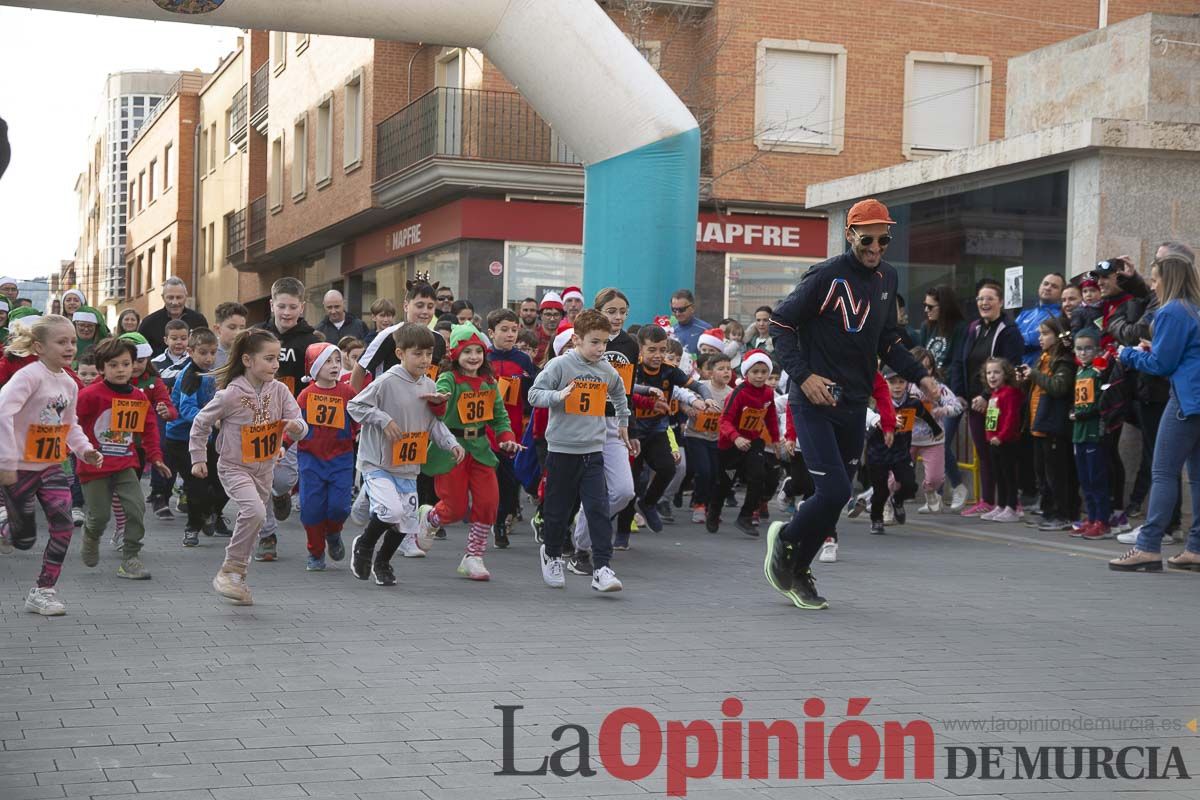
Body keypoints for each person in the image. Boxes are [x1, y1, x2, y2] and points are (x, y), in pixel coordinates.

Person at [768, 198, 936, 611]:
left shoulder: (887, 278)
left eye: (884, 239)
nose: (876, 247)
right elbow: (780, 324)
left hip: (854, 403)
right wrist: (804, 377)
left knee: (836, 498)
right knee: (835, 489)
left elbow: (888, 341)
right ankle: (785, 540)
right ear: (850, 235)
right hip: (813, 400)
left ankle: (798, 570)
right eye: (867, 238)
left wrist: (921, 376)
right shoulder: (826, 275)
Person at [189, 329, 308, 605]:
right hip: (234, 467)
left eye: (277, 358)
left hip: (265, 468)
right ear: (247, 360)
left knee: (255, 520)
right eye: (269, 358)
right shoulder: (230, 394)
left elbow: (301, 424)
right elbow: (201, 423)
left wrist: (295, 427)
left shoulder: (279, 390)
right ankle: (230, 570)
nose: (275, 365)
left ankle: (237, 576)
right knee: (254, 512)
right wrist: (197, 457)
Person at [0, 315, 103, 616]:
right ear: (38, 347)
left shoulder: (69, 383)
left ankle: (44, 590)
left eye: (72, 341)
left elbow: (69, 424)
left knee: (63, 523)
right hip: (18, 466)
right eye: (62, 342)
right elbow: (2, 413)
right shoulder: (29, 376)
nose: (70, 347)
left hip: (50, 465)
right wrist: (5, 461)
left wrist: (85, 450)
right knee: (22, 537)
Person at [347, 323, 462, 586]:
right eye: (417, 354)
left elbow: (432, 423)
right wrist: (383, 419)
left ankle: (383, 562)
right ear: (400, 353)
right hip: (377, 462)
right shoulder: (387, 381)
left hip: (408, 464)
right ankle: (364, 546)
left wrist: (450, 443)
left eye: (428, 354)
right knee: (390, 512)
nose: (424, 360)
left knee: (407, 523)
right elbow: (355, 406)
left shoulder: (429, 384)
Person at [1110, 247, 1200, 572]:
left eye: (1155, 278)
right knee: (1197, 479)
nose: (1153, 285)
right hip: (1197, 398)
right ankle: (1195, 548)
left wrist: (1128, 353)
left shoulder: (1170, 311)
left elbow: (1162, 363)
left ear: (1168, 279)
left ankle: (1147, 546)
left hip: (1185, 401)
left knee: (1162, 472)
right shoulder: (1195, 309)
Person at [528, 308, 630, 592]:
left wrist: (623, 422)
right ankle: (551, 553)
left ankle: (602, 568)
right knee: (558, 510)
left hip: (593, 451)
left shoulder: (606, 370)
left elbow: (620, 393)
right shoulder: (561, 365)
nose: (601, 348)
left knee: (598, 508)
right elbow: (533, 394)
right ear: (577, 340)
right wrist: (558, 396)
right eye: (594, 342)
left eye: (605, 342)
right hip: (562, 451)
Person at [418, 324, 521, 581]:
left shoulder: (488, 382)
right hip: (452, 450)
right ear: (455, 354)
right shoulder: (449, 378)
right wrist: (439, 402)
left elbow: (500, 417)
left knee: (489, 502)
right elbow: (438, 407)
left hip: (481, 451)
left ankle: (473, 556)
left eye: (478, 351)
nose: (474, 357)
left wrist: (506, 438)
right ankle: (430, 517)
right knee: (454, 508)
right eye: (467, 352)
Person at [75, 336, 170, 580]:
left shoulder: (138, 397)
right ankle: (91, 535)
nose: (121, 370)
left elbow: (149, 428)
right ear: (101, 368)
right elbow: (71, 424)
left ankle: (130, 558)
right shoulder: (90, 395)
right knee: (99, 516)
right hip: (94, 465)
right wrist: (76, 451)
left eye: (126, 364)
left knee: (136, 509)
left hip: (125, 462)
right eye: (114, 365)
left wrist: (156, 458)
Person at [253, 277, 321, 561]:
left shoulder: (312, 341)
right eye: (281, 306)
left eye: (292, 307)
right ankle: (267, 535)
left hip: (294, 422)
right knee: (260, 478)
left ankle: (282, 495)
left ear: (301, 307)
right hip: (259, 419)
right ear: (272, 305)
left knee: (281, 480)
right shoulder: (255, 336)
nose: (286, 312)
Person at [620, 324, 710, 537]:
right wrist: (649, 392)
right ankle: (622, 533)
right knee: (632, 482)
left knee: (669, 467)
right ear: (640, 349)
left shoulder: (670, 370)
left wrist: (705, 398)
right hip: (633, 431)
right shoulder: (633, 369)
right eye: (652, 350)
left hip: (656, 430)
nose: (658, 355)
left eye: (662, 349)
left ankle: (648, 504)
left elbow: (697, 386)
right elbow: (628, 389)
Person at [952, 279, 1022, 518]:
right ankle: (987, 500)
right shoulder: (973, 328)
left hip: (997, 403)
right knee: (983, 452)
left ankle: (1009, 503)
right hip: (973, 402)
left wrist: (986, 395)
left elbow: (1009, 366)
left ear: (1001, 302)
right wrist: (960, 394)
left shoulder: (1009, 331)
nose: (984, 303)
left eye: (990, 298)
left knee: (1000, 452)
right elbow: (961, 361)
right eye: (981, 299)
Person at [295, 343, 357, 571]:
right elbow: (296, 425)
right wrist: (283, 445)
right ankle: (315, 551)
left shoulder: (347, 392)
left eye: (337, 361)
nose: (334, 366)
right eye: (328, 361)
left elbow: (359, 418)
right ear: (315, 366)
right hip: (311, 459)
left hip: (341, 458)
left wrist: (362, 432)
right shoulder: (305, 395)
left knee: (339, 507)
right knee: (312, 509)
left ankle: (333, 532)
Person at [706, 349, 780, 536]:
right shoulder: (739, 393)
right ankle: (713, 512)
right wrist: (735, 437)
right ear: (747, 373)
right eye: (755, 372)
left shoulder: (769, 393)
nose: (760, 376)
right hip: (730, 445)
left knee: (758, 475)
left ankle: (745, 516)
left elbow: (770, 417)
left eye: (764, 372)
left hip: (754, 441)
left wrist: (776, 440)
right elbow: (724, 421)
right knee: (724, 483)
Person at [165, 327, 224, 547]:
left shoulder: (209, 373)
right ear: (190, 351)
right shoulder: (190, 376)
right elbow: (186, 408)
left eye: (213, 352)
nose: (209, 358)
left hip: (205, 438)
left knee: (220, 482)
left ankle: (210, 514)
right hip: (181, 439)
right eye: (203, 352)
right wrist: (211, 419)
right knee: (196, 485)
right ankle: (192, 528)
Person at [1017, 317, 1077, 531]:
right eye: (1039, 333)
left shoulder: (1064, 361)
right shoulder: (1043, 358)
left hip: (1054, 425)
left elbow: (1059, 387)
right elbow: (1038, 386)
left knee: (1057, 474)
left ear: (1058, 335)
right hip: (1038, 424)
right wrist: (1025, 378)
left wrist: (1034, 375)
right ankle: (1048, 511)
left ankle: (1063, 514)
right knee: (1042, 474)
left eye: (1044, 333)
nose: (1040, 338)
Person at [486, 308, 535, 548]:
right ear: (491, 332)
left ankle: (501, 520)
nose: (510, 334)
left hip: (512, 430)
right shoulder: (483, 358)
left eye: (514, 330)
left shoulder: (523, 360)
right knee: (489, 480)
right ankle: (489, 521)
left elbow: (531, 394)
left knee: (509, 483)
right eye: (504, 330)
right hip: (486, 430)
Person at [919, 285, 969, 510]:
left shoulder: (959, 329)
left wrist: (958, 394)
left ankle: (958, 486)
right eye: (924, 306)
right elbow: (920, 358)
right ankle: (936, 495)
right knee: (933, 440)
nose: (926, 310)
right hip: (928, 391)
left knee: (941, 438)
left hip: (948, 391)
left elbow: (958, 362)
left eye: (931, 306)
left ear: (944, 306)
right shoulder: (926, 327)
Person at [863, 365, 923, 534]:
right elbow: (867, 429)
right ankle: (876, 518)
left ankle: (897, 500)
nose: (897, 386)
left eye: (901, 382)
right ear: (884, 383)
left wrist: (936, 430)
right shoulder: (876, 405)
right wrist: (883, 423)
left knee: (910, 484)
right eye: (892, 382)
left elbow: (927, 416)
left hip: (900, 453)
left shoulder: (912, 402)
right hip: (878, 453)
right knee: (880, 491)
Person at [908, 347, 962, 514]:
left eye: (929, 367)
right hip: (907, 438)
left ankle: (931, 492)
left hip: (933, 439)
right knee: (896, 477)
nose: (925, 372)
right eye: (920, 367)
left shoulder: (938, 388)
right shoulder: (904, 386)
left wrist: (943, 410)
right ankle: (885, 505)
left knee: (935, 479)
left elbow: (957, 406)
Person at [1070, 328, 1111, 540]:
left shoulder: (1097, 373)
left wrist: (1082, 414)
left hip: (1093, 431)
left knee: (1096, 479)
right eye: (1079, 349)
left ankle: (1102, 521)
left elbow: (1100, 404)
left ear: (1097, 350)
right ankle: (1091, 516)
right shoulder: (1079, 372)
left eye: (1088, 349)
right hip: (1079, 434)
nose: (1083, 353)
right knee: (1085, 479)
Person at [685, 351, 732, 524]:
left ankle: (710, 505)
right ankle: (699, 504)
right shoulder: (701, 386)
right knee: (703, 471)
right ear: (711, 372)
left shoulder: (731, 393)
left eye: (729, 368)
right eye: (721, 369)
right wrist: (689, 410)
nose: (726, 372)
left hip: (717, 438)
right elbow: (684, 399)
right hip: (696, 435)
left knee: (714, 474)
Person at [978, 357, 1023, 522]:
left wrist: (1001, 436)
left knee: (1008, 475)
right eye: (989, 373)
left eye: (996, 372)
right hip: (994, 441)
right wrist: (989, 436)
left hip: (1006, 441)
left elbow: (1011, 418)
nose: (992, 376)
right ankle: (1001, 505)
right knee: (999, 475)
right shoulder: (994, 394)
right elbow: (992, 418)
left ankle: (1012, 507)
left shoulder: (1009, 393)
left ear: (1006, 374)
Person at [138, 277, 209, 358]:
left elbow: (206, 348)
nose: (175, 302)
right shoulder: (149, 323)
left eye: (179, 297)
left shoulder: (198, 320)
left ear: (186, 296)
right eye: (170, 297)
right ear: (163, 297)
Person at [1014, 273, 1065, 366]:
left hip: (1038, 372)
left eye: (1054, 286)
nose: (1048, 288)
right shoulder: (1024, 314)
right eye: (1045, 284)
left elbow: (1034, 339)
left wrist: (1017, 339)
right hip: (1015, 372)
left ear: (1061, 293)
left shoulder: (1059, 316)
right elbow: (1009, 339)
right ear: (1040, 286)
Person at [669, 289, 710, 355]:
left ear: (692, 308)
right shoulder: (670, 331)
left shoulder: (705, 330)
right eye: (674, 310)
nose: (677, 313)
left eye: (681, 309)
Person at [211, 301, 248, 370]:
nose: (238, 332)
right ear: (217, 329)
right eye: (232, 327)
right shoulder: (208, 353)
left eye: (242, 328)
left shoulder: (249, 352)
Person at [533, 292, 564, 364]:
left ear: (562, 316)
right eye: (548, 314)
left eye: (556, 314)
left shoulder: (565, 338)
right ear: (540, 315)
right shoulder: (532, 336)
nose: (552, 319)